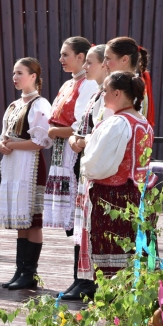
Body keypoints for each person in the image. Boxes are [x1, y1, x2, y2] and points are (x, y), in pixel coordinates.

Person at [79, 72, 154, 282]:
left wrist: (86, 165)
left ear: (117, 93)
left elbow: (98, 166)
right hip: (138, 197)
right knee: (134, 258)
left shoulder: (118, 123)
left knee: (114, 263)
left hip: (114, 199)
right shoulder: (142, 122)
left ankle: (114, 309)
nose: (102, 95)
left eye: (105, 90)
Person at [44, 37, 99, 293]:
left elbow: (81, 124)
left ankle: (86, 278)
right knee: (76, 220)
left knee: (81, 217)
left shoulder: (88, 84)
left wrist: (57, 132)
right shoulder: (69, 83)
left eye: (66, 54)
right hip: (63, 151)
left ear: (81, 57)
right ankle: (79, 277)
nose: (61, 59)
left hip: (75, 152)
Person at [0, 57, 52, 290]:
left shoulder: (40, 104)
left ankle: (30, 272)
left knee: (33, 222)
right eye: (14, 73)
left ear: (33, 77)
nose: (15, 77)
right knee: (22, 222)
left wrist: (12, 145)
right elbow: (4, 135)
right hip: (13, 163)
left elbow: (41, 141)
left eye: (20, 73)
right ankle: (20, 270)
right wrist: (1, 144)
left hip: (30, 164)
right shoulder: (13, 105)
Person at [64, 44, 109, 300]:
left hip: (98, 167)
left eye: (89, 62)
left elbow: (107, 130)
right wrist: (76, 140)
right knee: (82, 224)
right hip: (85, 164)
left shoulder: (111, 94)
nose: (85, 67)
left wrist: (83, 139)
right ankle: (80, 279)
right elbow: (78, 130)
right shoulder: (96, 95)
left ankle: (90, 282)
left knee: (93, 226)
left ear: (105, 63)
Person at [103, 37, 155, 127]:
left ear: (124, 59)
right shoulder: (123, 83)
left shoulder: (128, 87)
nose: (104, 63)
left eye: (108, 58)